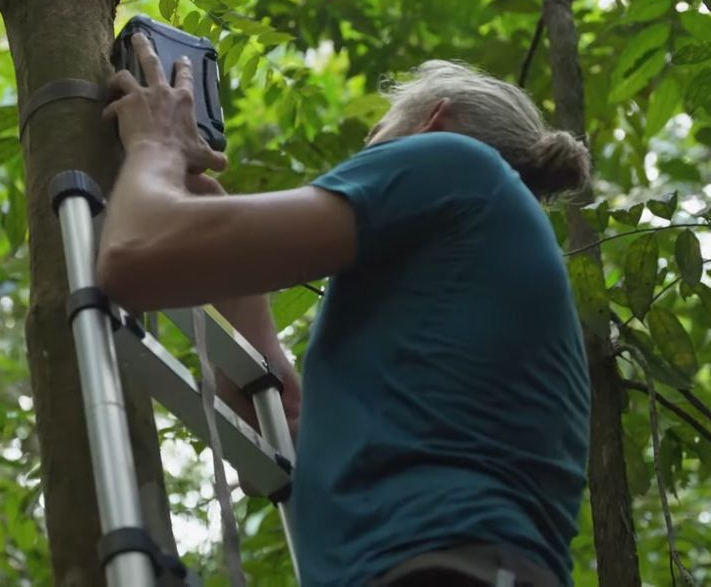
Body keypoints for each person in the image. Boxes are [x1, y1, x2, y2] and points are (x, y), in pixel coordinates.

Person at [98, 32, 591, 587]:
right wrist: (198, 209)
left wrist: (155, 147)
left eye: (374, 138)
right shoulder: (473, 285)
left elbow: (133, 259)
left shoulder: (457, 163)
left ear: (437, 122)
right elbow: (286, 423)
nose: (363, 162)